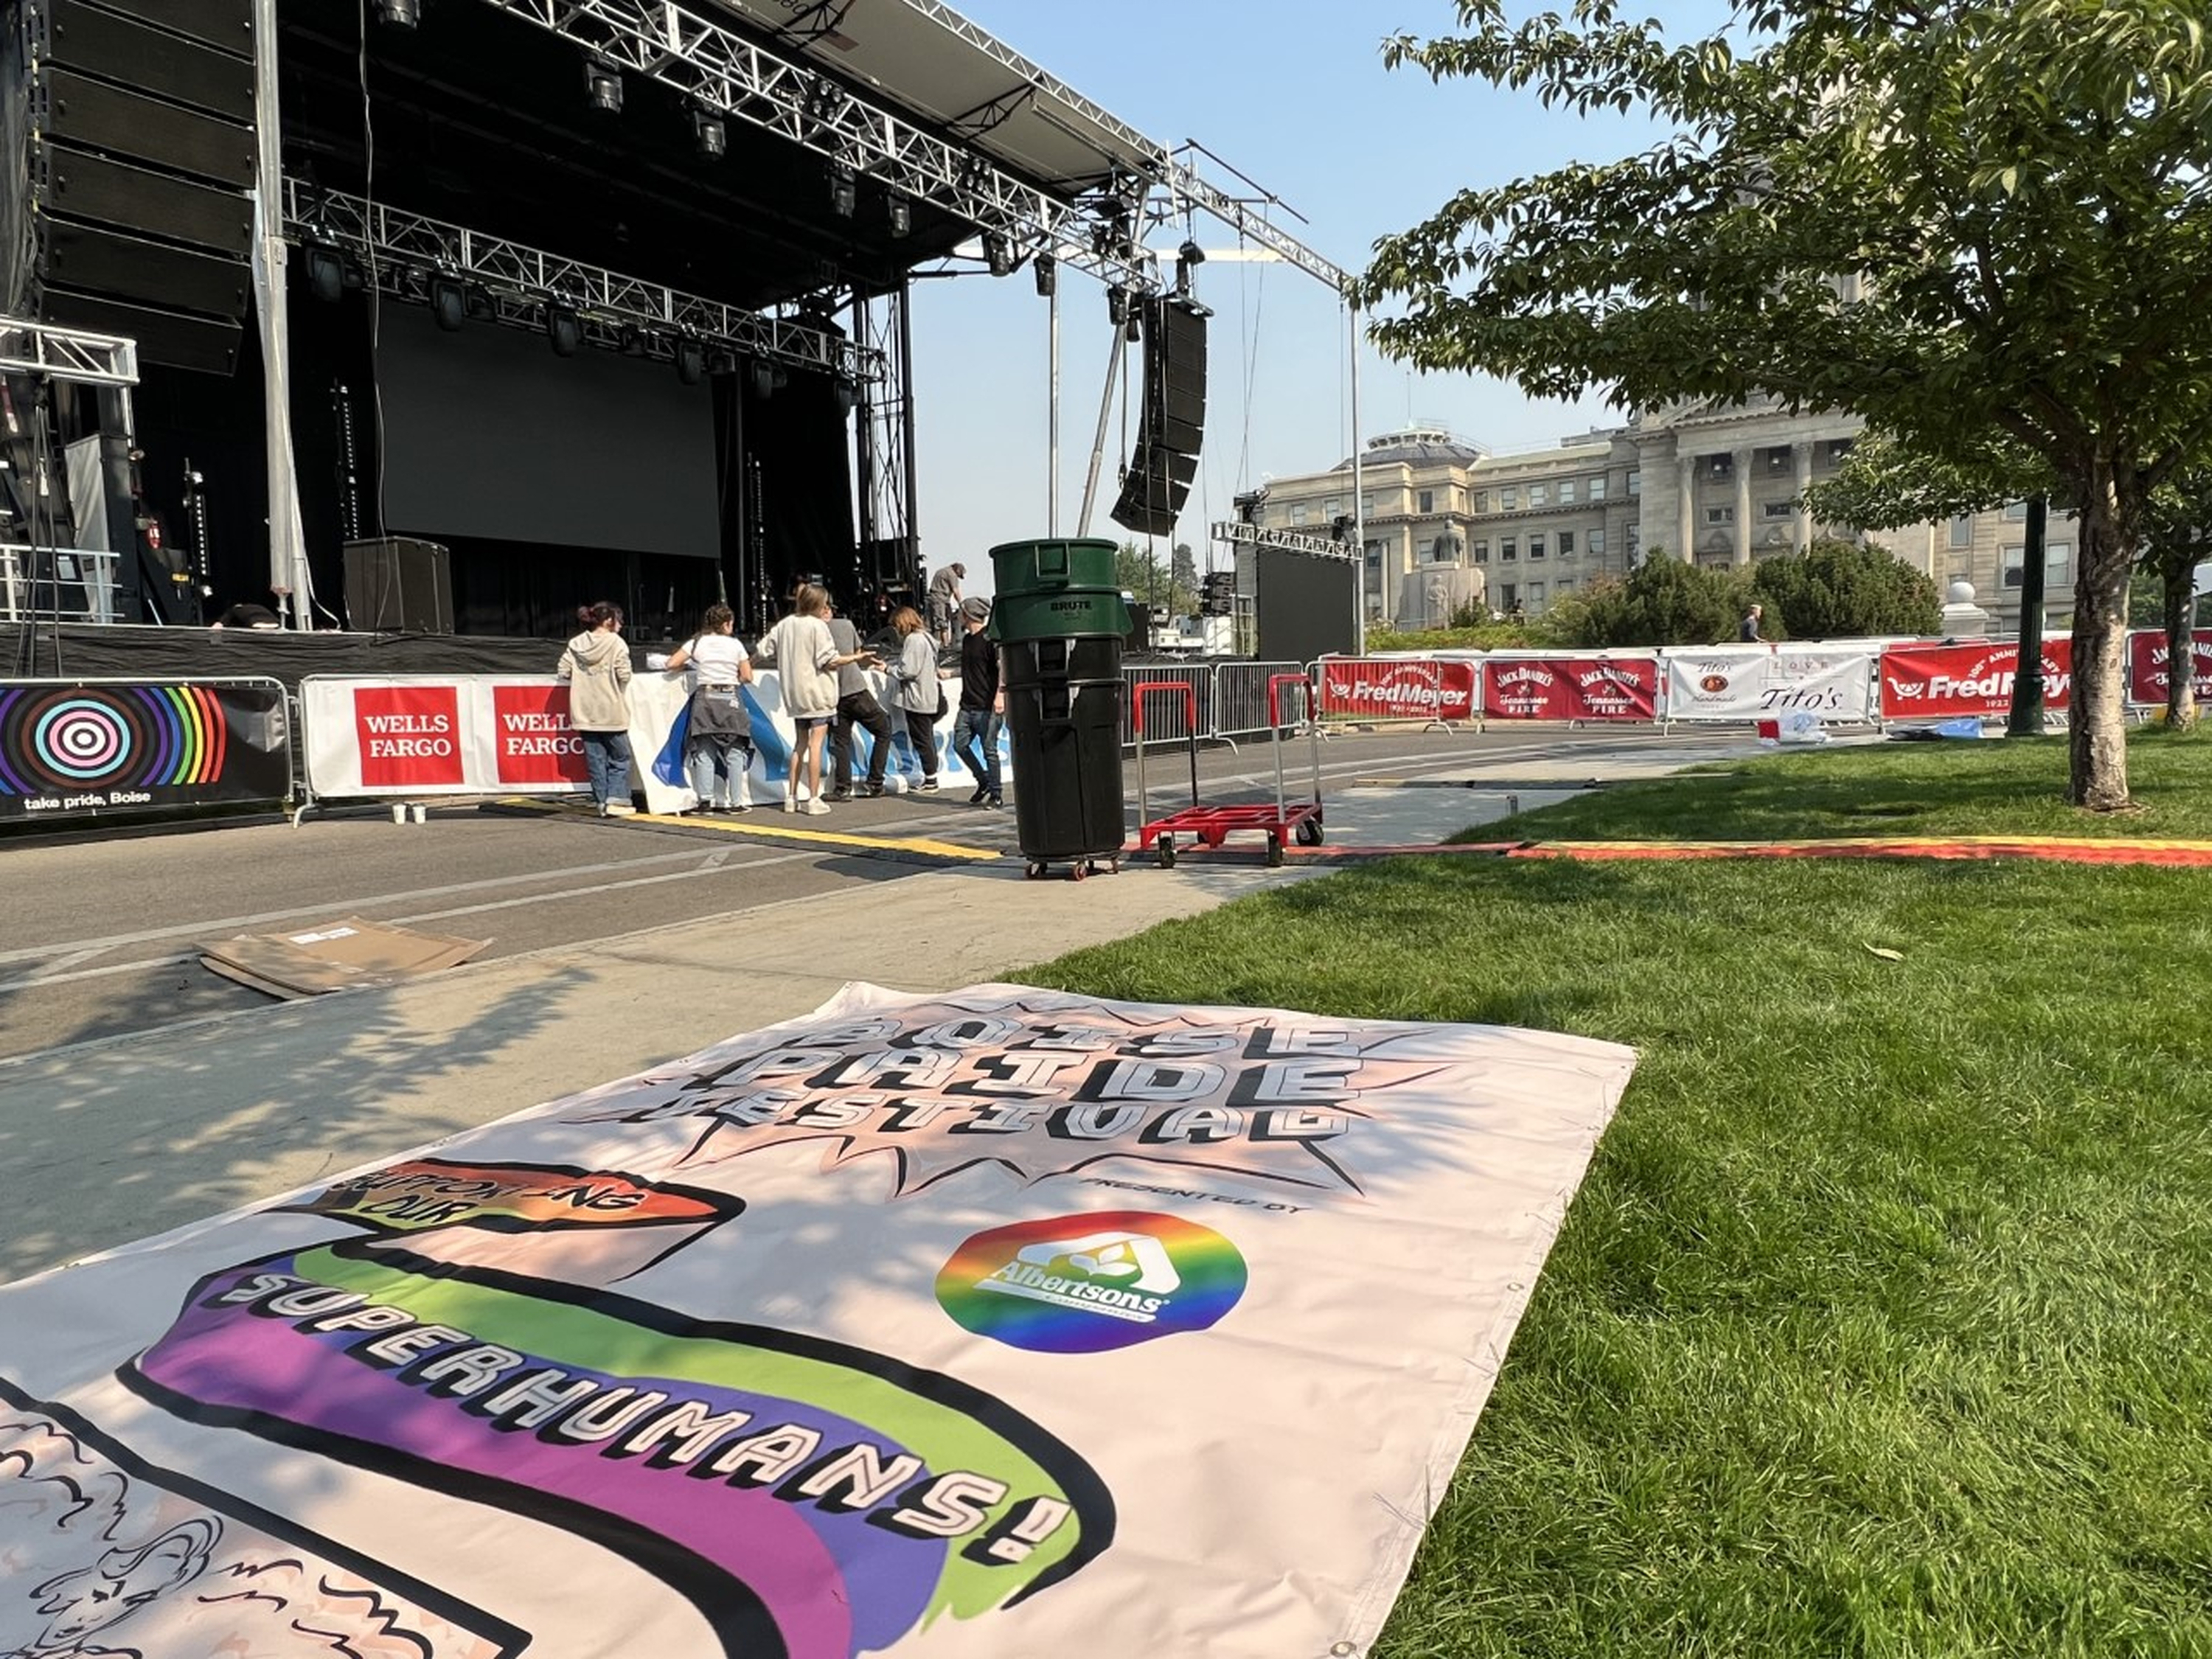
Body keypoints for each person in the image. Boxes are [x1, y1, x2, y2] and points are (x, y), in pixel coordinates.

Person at [753, 583, 871, 814]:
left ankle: (791, 797)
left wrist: (746, 664)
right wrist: (857, 657)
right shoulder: (818, 627)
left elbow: (762, 651)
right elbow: (830, 661)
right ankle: (814, 799)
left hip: (795, 696)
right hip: (818, 695)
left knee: (800, 745)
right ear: (819, 603)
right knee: (816, 746)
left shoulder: (786, 624)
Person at [664, 602, 754, 813]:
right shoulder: (736, 645)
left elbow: (671, 663)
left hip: (706, 697)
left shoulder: (697, 642)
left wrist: (688, 666)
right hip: (730, 697)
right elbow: (748, 676)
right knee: (734, 751)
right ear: (727, 624)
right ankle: (736, 802)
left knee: (704, 749)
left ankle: (705, 801)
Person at [556, 600, 635, 816]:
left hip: (583, 711)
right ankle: (617, 800)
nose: (620, 624)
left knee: (595, 760)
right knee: (620, 758)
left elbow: (563, 671)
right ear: (609, 620)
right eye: (618, 620)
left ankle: (601, 802)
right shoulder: (617, 643)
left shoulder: (576, 643)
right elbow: (624, 675)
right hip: (611, 710)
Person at [824, 597, 891, 800]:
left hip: (834, 695)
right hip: (856, 689)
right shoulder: (845, 625)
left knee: (841, 742)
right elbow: (857, 652)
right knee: (884, 730)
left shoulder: (810, 632)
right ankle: (875, 782)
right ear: (829, 610)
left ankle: (842, 789)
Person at [950, 595, 1004, 808]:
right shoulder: (967, 640)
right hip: (967, 705)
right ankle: (983, 780)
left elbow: (1002, 668)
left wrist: (1000, 695)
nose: (958, 617)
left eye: (961, 613)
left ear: (968, 615)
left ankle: (996, 793)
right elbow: (971, 668)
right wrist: (950, 673)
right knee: (960, 745)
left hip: (987, 706)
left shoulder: (990, 640)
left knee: (989, 749)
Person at [883, 605, 942, 793]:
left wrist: (887, 669)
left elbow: (908, 670)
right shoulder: (927, 638)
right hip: (928, 695)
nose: (895, 630)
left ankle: (931, 780)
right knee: (926, 737)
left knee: (922, 739)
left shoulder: (913, 640)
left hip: (917, 698)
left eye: (896, 625)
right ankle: (931, 778)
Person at [925, 561, 966, 645]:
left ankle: (939, 642)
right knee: (942, 623)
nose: (958, 577)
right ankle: (945, 644)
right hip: (940, 600)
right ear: (958, 570)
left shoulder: (942, 571)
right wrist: (961, 604)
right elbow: (956, 591)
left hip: (934, 598)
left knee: (935, 622)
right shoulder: (952, 574)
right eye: (959, 575)